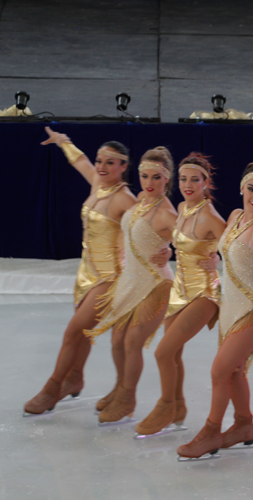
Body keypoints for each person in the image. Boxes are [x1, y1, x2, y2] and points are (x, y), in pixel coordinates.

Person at [24, 128, 136, 415]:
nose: (101, 166)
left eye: (110, 162)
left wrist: (164, 250)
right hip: (86, 272)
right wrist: (64, 142)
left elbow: (149, 227)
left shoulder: (125, 199)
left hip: (110, 278)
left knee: (73, 333)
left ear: (123, 166)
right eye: (100, 160)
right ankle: (74, 378)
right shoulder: (98, 182)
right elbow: (80, 161)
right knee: (83, 332)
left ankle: (52, 388)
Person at [177, 160, 253, 459]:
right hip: (230, 307)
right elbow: (226, 247)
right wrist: (214, 259)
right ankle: (244, 425)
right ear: (241, 188)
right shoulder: (235, 216)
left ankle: (211, 433)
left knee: (219, 370)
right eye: (252, 188)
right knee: (233, 372)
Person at [84, 147, 178, 424]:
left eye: (156, 177)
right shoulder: (140, 200)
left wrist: (173, 251)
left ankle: (127, 399)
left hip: (155, 284)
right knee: (116, 341)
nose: (149, 183)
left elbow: (193, 241)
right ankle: (120, 387)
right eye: (145, 176)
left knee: (131, 341)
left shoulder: (167, 213)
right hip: (130, 281)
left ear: (167, 179)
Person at [135, 153, 226, 436]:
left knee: (162, 352)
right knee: (173, 354)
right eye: (184, 179)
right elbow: (178, 240)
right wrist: (166, 252)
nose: (187, 185)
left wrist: (218, 259)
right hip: (179, 290)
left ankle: (166, 406)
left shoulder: (210, 217)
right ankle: (178, 407)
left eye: (194, 180)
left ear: (205, 182)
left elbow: (236, 245)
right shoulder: (182, 208)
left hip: (205, 293)